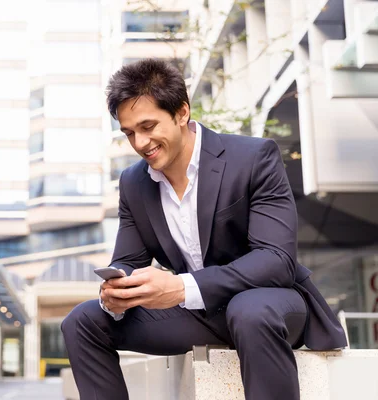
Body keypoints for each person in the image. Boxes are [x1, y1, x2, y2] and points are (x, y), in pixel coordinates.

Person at [60, 59, 347, 400]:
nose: (140, 142)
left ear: (182, 113)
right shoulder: (134, 183)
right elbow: (127, 260)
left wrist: (182, 287)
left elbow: (277, 261)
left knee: (249, 310)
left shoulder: (254, 158)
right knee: (81, 322)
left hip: (273, 305)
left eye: (148, 126)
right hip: (198, 314)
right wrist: (119, 292)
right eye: (129, 132)